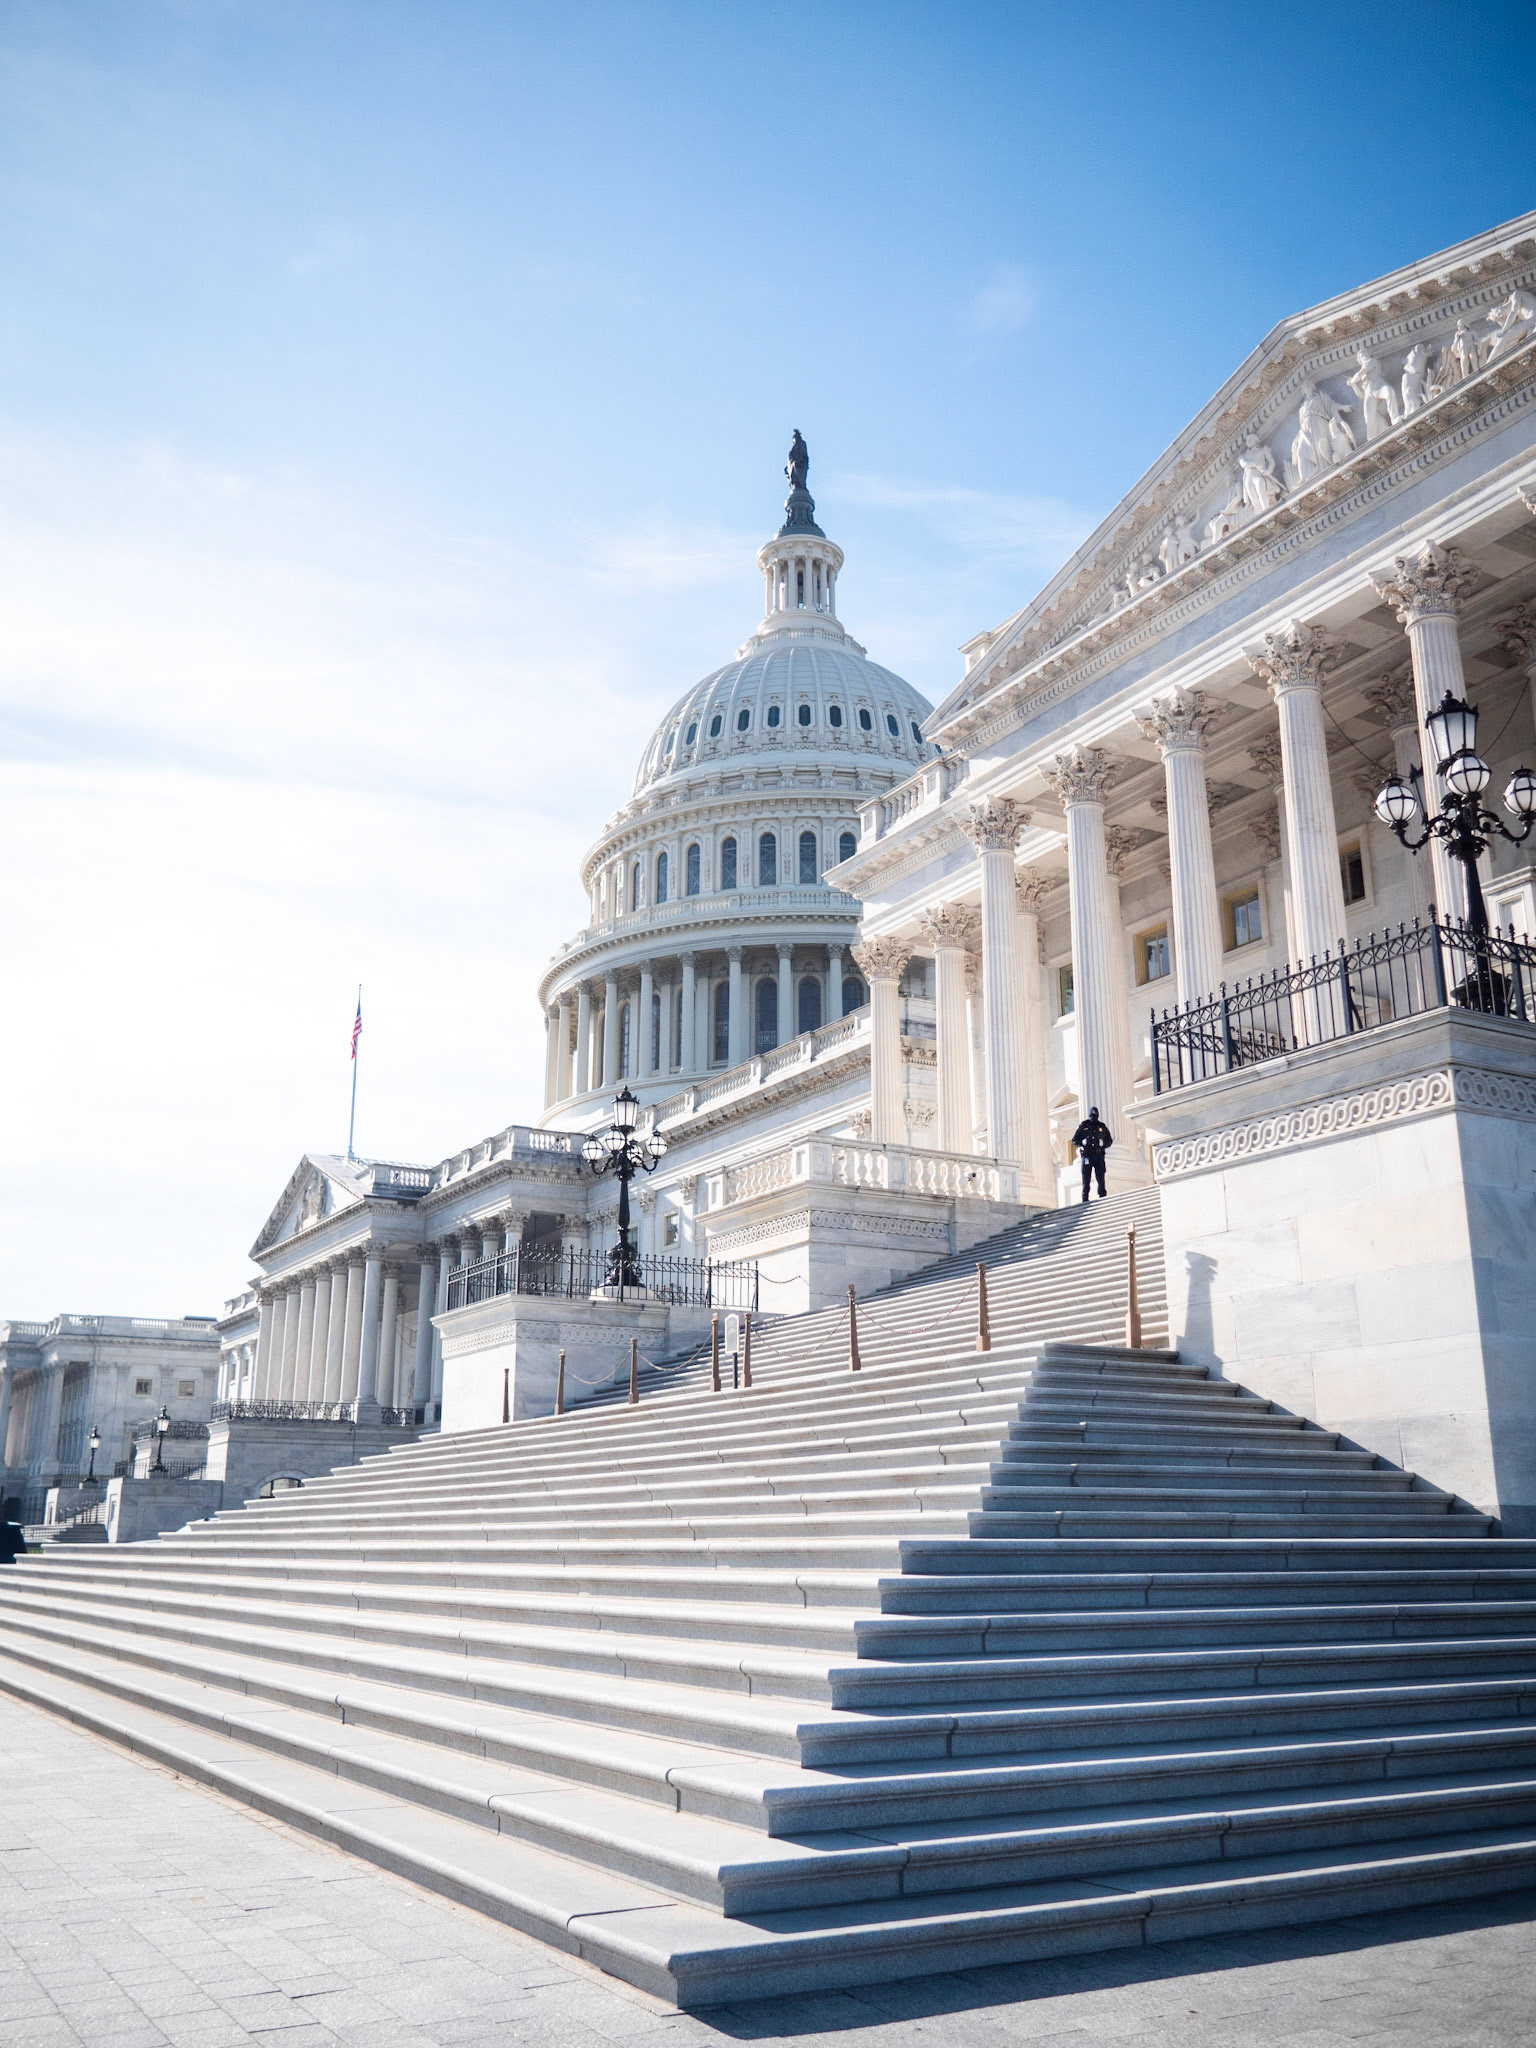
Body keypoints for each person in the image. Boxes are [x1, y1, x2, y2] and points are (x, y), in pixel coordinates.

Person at [1072, 1107, 1113, 1202]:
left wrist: (1103, 1144)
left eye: (1095, 1115)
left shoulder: (1102, 1127)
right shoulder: (1083, 1126)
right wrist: (1082, 1143)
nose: (1094, 1117)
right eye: (1092, 1115)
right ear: (1089, 1115)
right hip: (1087, 1155)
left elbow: (1109, 1141)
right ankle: (1085, 1198)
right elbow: (1074, 1140)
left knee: (1100, 1177)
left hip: (1099, 1155)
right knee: (1086, 1178)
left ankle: (1102, 1195)